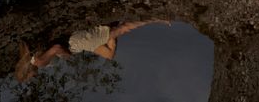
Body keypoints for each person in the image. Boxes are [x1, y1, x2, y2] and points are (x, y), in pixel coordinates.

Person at [14, 20, 167, 82]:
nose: (31, 78)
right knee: (109, 54)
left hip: (78, 42)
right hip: (79, 44)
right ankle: (110, 28)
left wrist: (67, 56)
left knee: (122, 29)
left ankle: (155, 19)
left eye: (28, 77)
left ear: (27, 72)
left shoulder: (39, 62)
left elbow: (56, 48)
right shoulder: (33, 56)